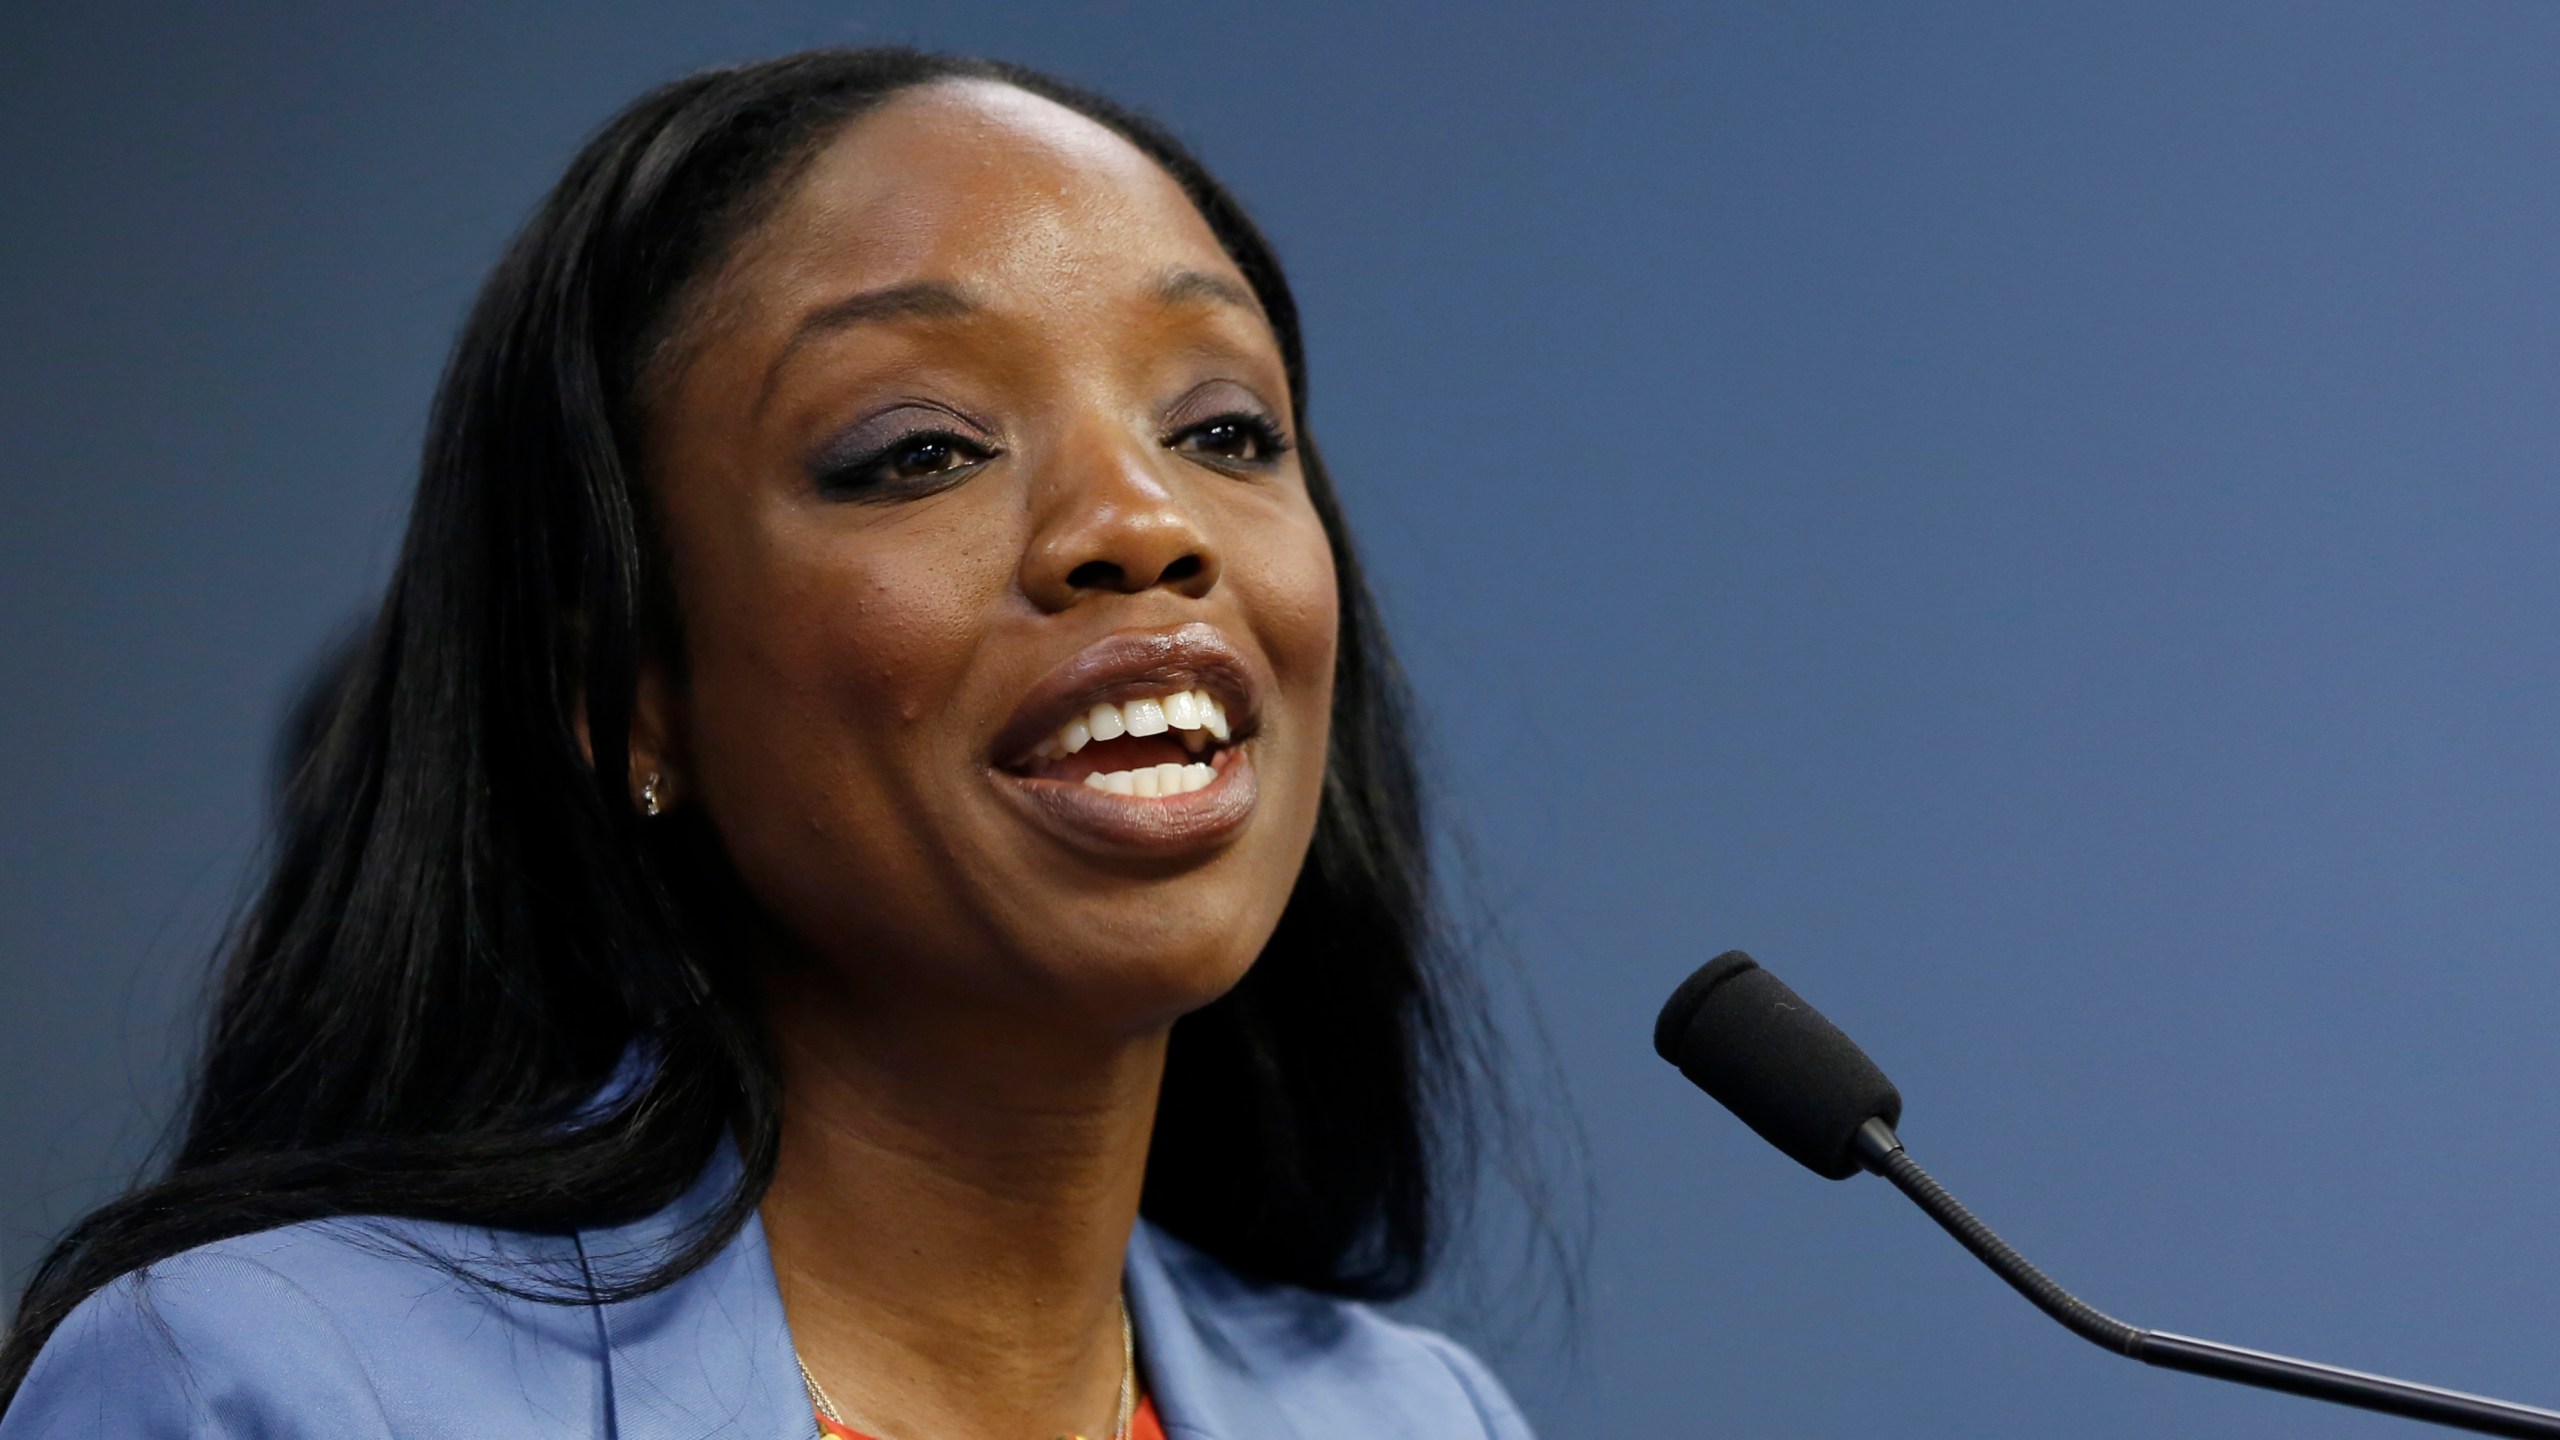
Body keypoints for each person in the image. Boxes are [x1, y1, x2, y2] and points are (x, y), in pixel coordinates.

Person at [0, 46, 1537, 1440]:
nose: (1144, 522)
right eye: (920, 449)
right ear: (623, 692)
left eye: (1222, 431)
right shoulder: (259, 1389)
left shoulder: (1415, 1419)